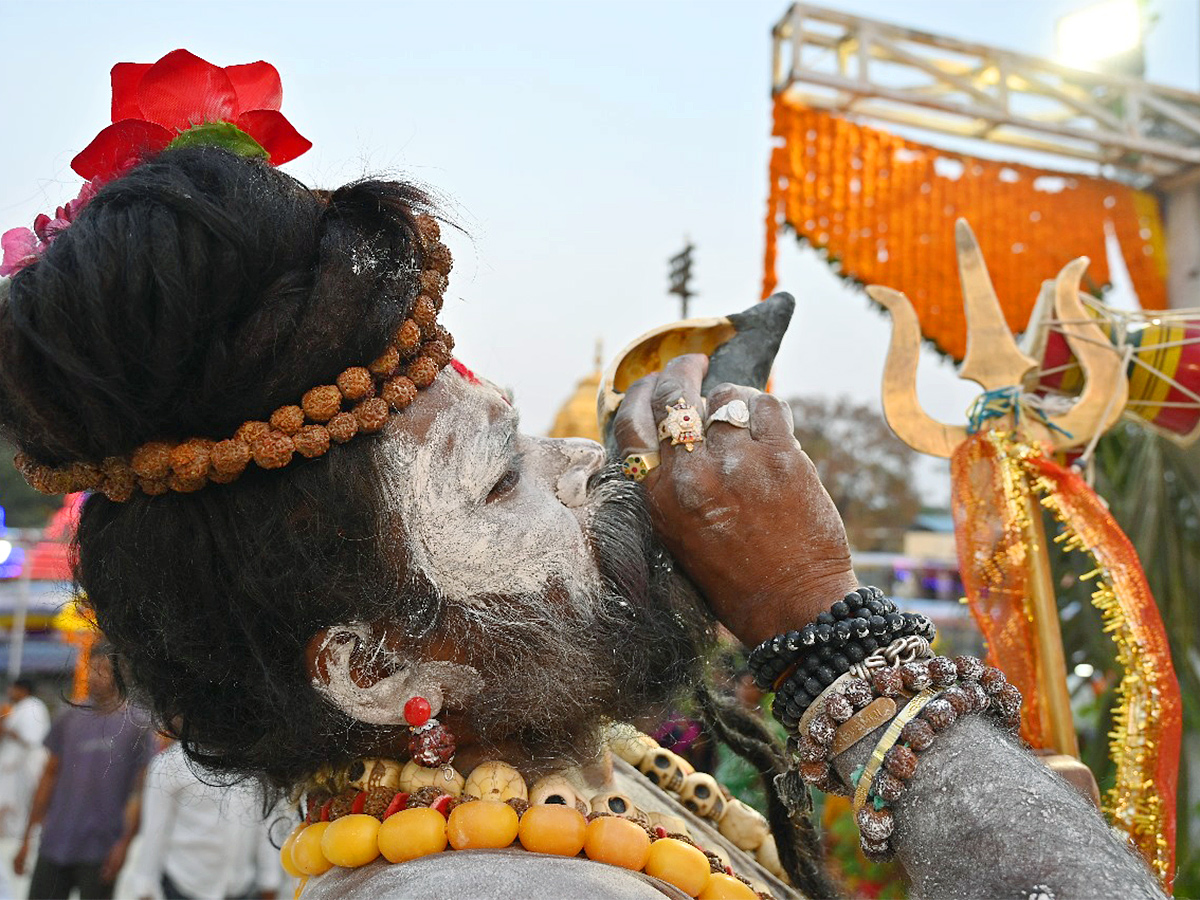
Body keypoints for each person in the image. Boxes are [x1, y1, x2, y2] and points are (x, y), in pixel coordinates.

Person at [0, 52, 1170, 899]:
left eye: (526, 439)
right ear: (374, 666)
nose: (588, 461)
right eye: (506, 483)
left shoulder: (544, 803)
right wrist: (823, 628)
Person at [14, 653, 154, 900]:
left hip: (101, 848)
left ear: (121, 676)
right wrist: (27, 837)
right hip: (55, 842)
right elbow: (48, 777)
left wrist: (124, 844)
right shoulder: (69, 717)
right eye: (91, 669)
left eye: (102, 671)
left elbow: (140, 792)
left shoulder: (136, 725)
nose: (93, 676)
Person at [128, 740, 283, 900]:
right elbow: (154, 832)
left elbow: (266, 824)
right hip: (184, 889)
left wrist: (269, 882)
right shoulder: (171, 763)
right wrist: (145, 888)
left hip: (240, 889)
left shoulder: (256, 761)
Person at [0, 677, 50, 840]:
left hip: (29, 763)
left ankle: (28, 834)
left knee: (28, 801)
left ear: (22, 689)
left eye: (13, 688)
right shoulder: (19, 708)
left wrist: (7, 730)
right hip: (15, 766)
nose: (10, 692)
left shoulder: (33, 707)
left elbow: (32, 739)